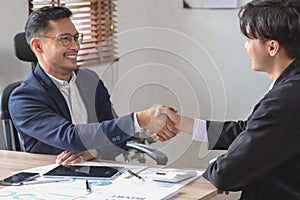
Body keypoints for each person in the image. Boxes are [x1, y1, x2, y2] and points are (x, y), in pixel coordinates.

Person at [157, 0, 300, 199]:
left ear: (272, 47)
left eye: (249, 39)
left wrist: (216, 170)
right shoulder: (290, 86)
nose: (246, 46)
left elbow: (226, 174)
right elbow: (249, 131)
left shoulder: (284, 99)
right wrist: (182, 123)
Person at [9, 6, 177, 165]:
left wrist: (94, 151)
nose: (76, 46)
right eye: (65, 39)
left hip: (102, 176)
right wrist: (141, 119)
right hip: (54, 183)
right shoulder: (23, 99)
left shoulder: (89, 80)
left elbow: (116, 136)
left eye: (76, 38)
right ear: (38, 45)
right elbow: (71, 137)